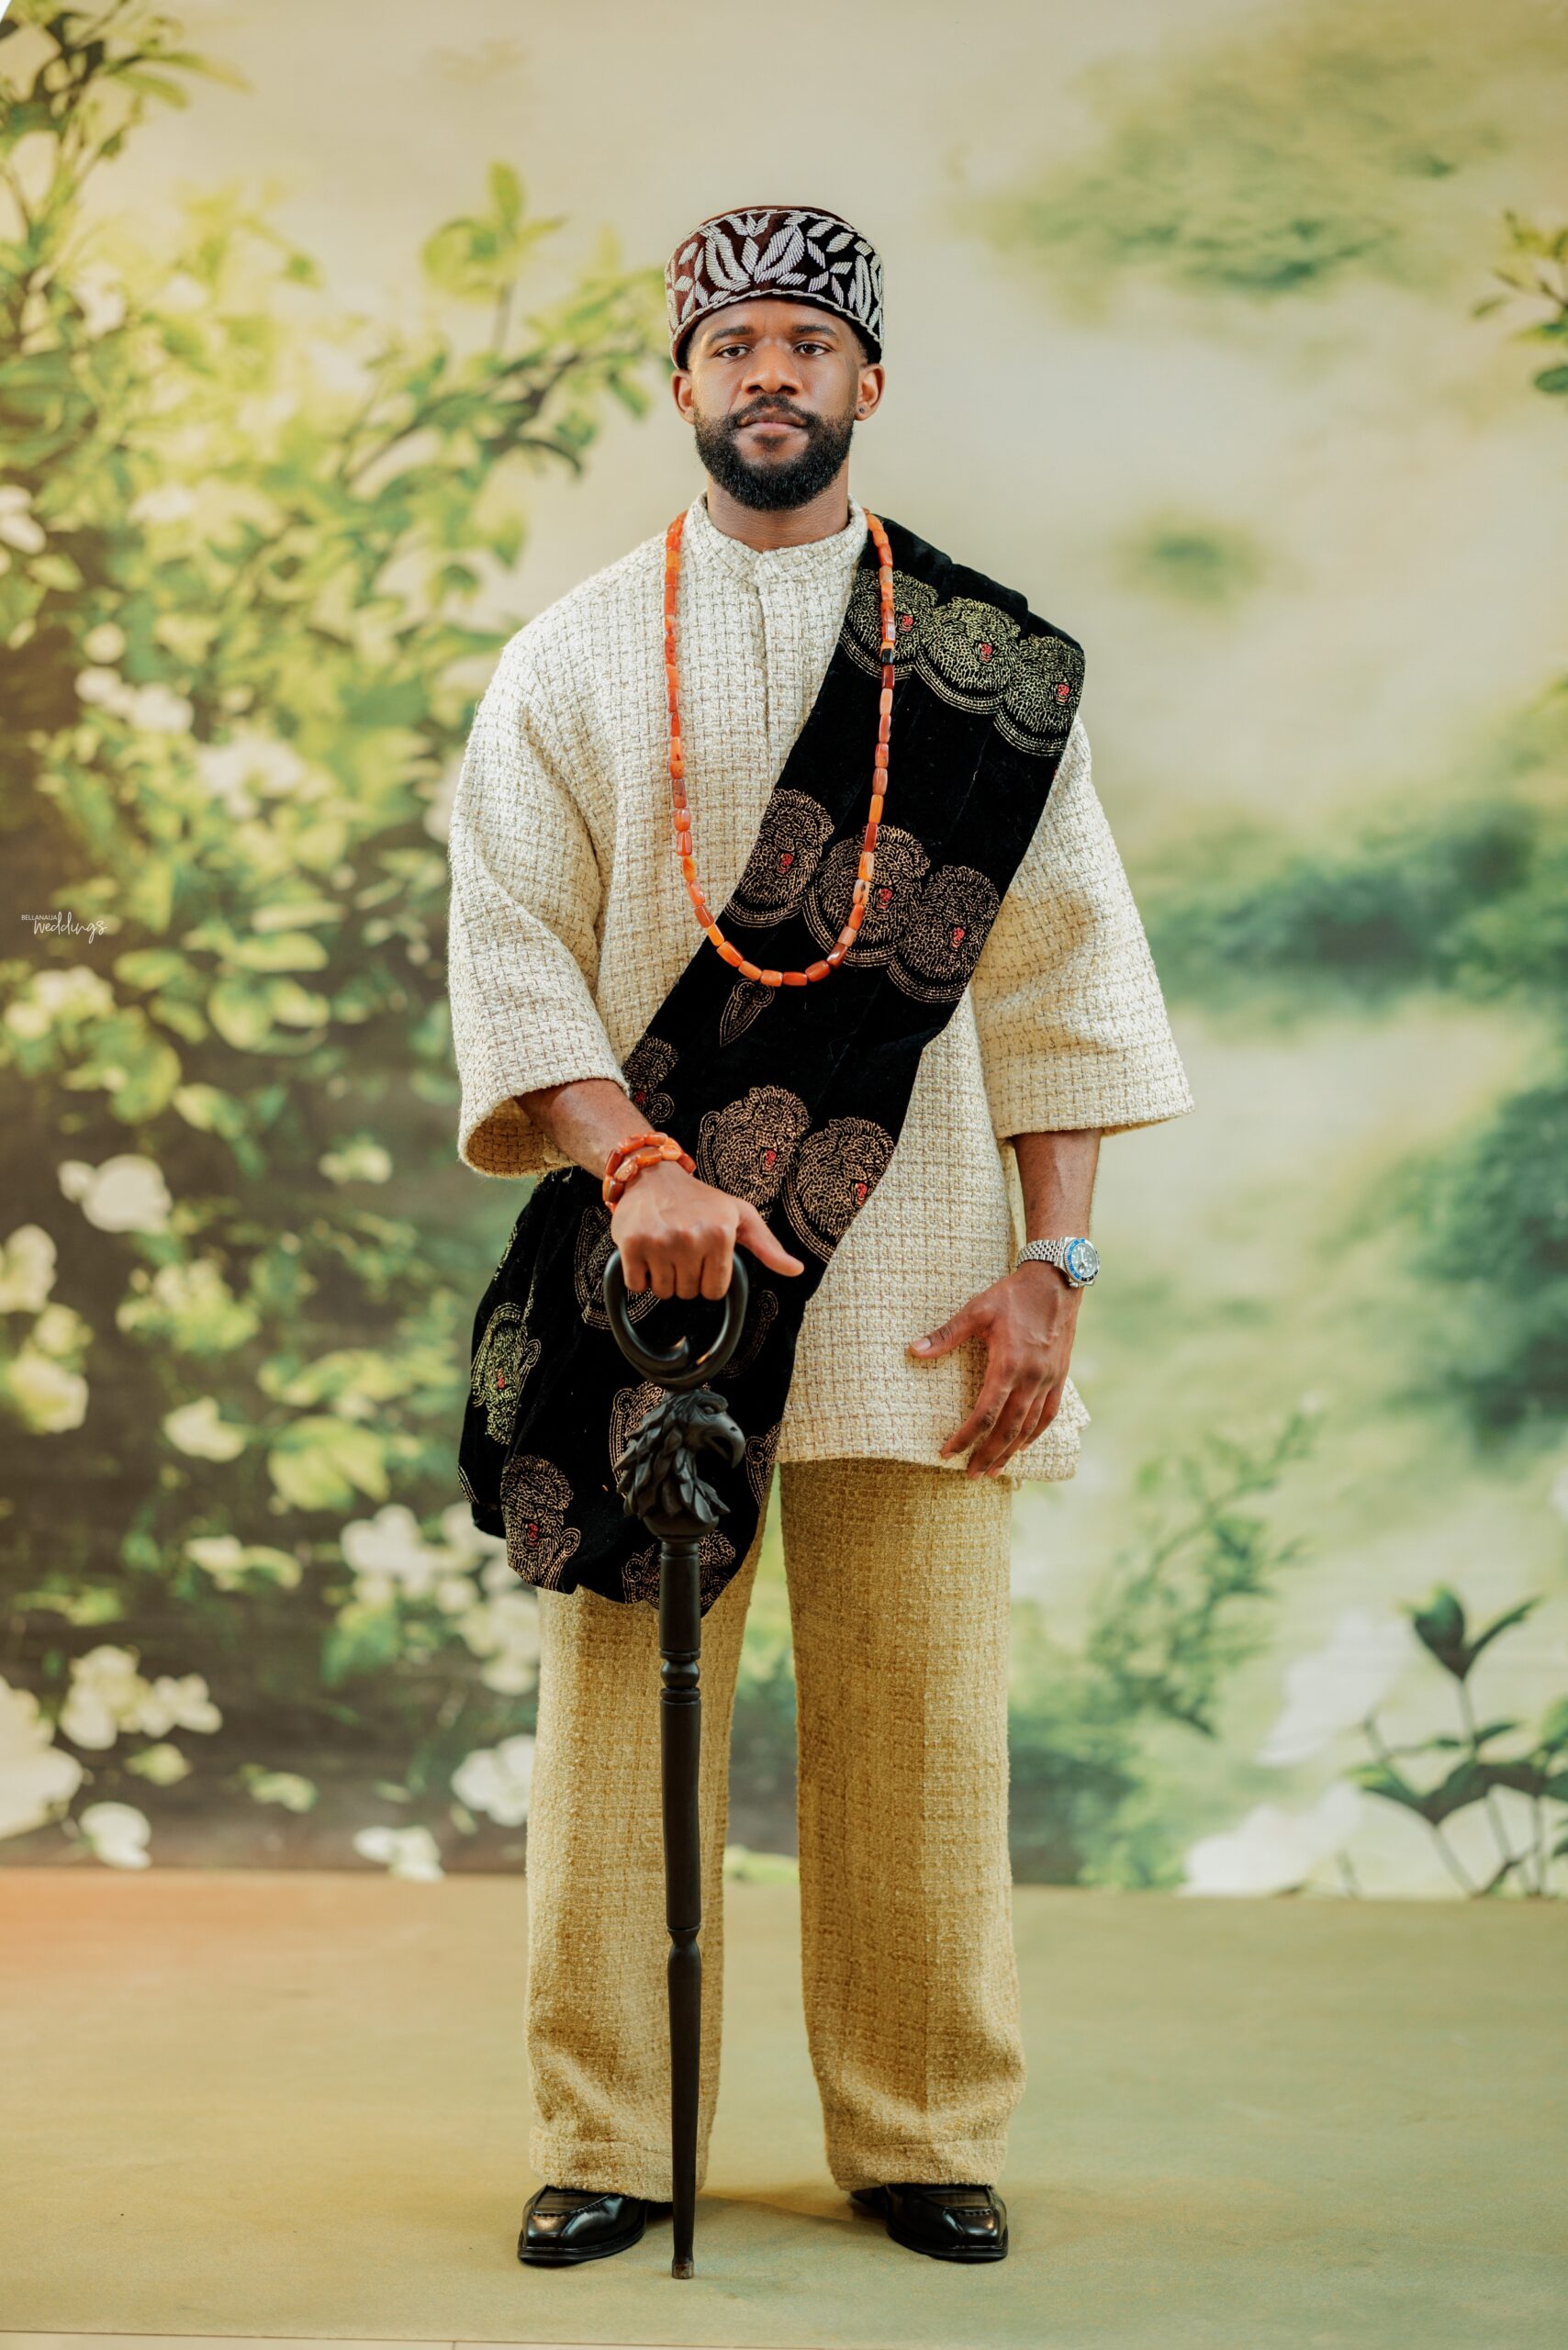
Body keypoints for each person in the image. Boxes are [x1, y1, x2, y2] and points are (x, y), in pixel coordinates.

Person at [445, 203, 1193, 2269]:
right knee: (618, 1739)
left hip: (927, 1276)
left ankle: (920, 2128)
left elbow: (1065, 980)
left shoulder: (983, 672)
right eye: (732, 344)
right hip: (649, 1287)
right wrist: (636, 1165)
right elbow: (508, 947)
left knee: (925, 1727)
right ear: (680, 384)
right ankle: (607, 2133)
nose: (768, 373)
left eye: (806, 341)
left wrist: (1053, 1267)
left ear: (869, 379)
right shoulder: (573, 656)